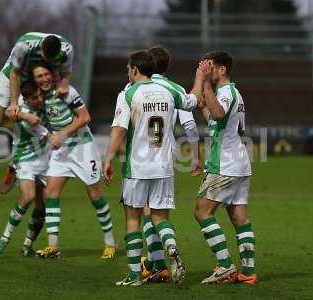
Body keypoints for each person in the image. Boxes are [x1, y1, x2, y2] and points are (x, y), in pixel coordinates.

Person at [103, 50, 209, 286]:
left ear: (134, 69)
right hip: (164, 166)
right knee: (160, 217)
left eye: (128, 69)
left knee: (133, 219)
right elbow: (192, 100)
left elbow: (119, 129)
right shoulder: (171, 90)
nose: (127, 73)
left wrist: (108, 158)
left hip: (137, 167)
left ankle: (133, 276)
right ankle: (170, 245)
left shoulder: (128, 93)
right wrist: (200, 78)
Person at [0, 32, 73, 188]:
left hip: (38, 78)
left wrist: (61, 90)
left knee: (38, 121)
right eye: (45, 57)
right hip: (13, 75)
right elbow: (15, 74)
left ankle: (14, 166)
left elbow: (64, 75)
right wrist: (14, 104)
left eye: (51, 60)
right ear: (41, 48)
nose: (48, 61)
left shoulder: (67, 49)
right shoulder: (23, 46)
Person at [25, 63, 116, 260]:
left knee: (94, 194)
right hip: (61, 150)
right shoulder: (39, 97)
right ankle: (53, 245)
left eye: (46, 74)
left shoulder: (66, 92)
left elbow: (85, 117)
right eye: (39, 76)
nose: (44, 79)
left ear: (53, 74)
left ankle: (110, 242)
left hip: (82, 147)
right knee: (51, 193)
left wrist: (63, 134)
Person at [139, 45, 203, 283]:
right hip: (166, 156)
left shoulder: (135, 87)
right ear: (167, 66)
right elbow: (190, 127)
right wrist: (196, 158)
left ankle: (156, 264)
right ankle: (167, 252)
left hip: (140, 156)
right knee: (161, 214)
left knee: (145, 210)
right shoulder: (174, 89)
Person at [194, 51, 256, 285]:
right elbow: (214, 115)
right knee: (239, 217)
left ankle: (226, 266)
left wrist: (207, 89)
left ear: (222, 70)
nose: (207, 72)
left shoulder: (227, 91)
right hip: (239, 163)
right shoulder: (231, 93)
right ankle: (248, 272)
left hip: (225, 165)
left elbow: (219, 112)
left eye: (211, 67)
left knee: (202, 212)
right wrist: (203, 99)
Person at [0, 80, 52, 257]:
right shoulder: (18, 109)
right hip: (25, 158)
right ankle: (4, 238)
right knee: (28, 197)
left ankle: (27, 245)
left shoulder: (45, 100)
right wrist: (26, 116)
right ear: (25, 99)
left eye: (40, 95)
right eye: (35, 98)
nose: (39, 99)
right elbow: (33, 125)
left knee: (43, 206)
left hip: (45, 160)